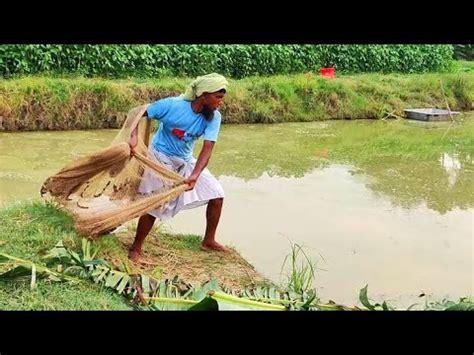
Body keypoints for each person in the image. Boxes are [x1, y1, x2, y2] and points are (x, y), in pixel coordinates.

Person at [127, 73, 229, 262]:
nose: (220, 102)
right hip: (160, 157)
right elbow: (138, 112)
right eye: (218, 97)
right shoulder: (172, 106)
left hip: (185, 159)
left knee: (217, 194)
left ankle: (208, 240)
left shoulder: (213, 117)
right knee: (156, 204)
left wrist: (196, 175)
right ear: (204, 95)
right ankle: (136, 247)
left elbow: (207, 149)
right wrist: (133, 136)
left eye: (222, 98)